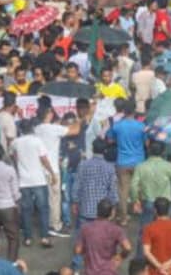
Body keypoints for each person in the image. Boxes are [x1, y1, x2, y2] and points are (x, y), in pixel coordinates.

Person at [71, 139, 119, 271]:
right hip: (103, 211)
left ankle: (77, 267)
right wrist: (113, 206)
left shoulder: (83, 165)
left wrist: (75, 201)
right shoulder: (109, 167)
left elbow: (77, 185)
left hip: (85, 208)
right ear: (105, 151)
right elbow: (113, 190)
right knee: (103, 239)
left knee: (81, 238)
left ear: (92, 149)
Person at [130, 140, 171, 256]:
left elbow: (133, 185)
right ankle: (163, 255)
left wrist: (135, 200)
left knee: (144, 232)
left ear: (149, 151)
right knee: (165, 231)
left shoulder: (141, 166)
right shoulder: (168, 166)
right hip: (165, 203)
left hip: (148, 202)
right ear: (163, 152)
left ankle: (140, 258)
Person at [34, 105, 81, 237]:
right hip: (52, 169)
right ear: (48, 114)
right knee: (55, 198)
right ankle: (55, 225)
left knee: (45, 199)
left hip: (40, 169)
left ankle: (47, 223)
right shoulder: (52, 128)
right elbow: (75, 130)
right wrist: (78, 119)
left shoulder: (37, 128)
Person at [11, 119, 56, 248]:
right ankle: (44, 237)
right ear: (31, 128)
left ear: (20, 129)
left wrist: (19, 167)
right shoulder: (37, 141)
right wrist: (52, 173)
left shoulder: (15, 142)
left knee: (26, 210)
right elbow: (44, 159)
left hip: (23, 181)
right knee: (43, 208)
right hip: (38, 179)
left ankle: (28, 238)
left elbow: (14, 157)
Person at [105, 100, 145, 226]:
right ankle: (140, 210)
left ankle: (123, 218)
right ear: (134, 111)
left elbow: (109, 139)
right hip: (139, 161)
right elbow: (146, 142)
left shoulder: (117, 126)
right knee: (139, 188)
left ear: (123, 111)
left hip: (122, 161)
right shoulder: (141, 126)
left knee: (123, 190)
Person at [75, 199, 132, 275]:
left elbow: (78, 250)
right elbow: (128, 248)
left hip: (90, 271)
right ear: (112, 213)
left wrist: (87, 254)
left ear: (97, 211)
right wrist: (120, 257)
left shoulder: (86, 228)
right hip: (109, 271)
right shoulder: (116, 229)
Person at [141, 197, 171, 275]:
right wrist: (169, 263)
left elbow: (146, 252)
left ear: (155, 210)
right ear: (169, 210)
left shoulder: (149, 228)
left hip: (154, 270)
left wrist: (160, 266)